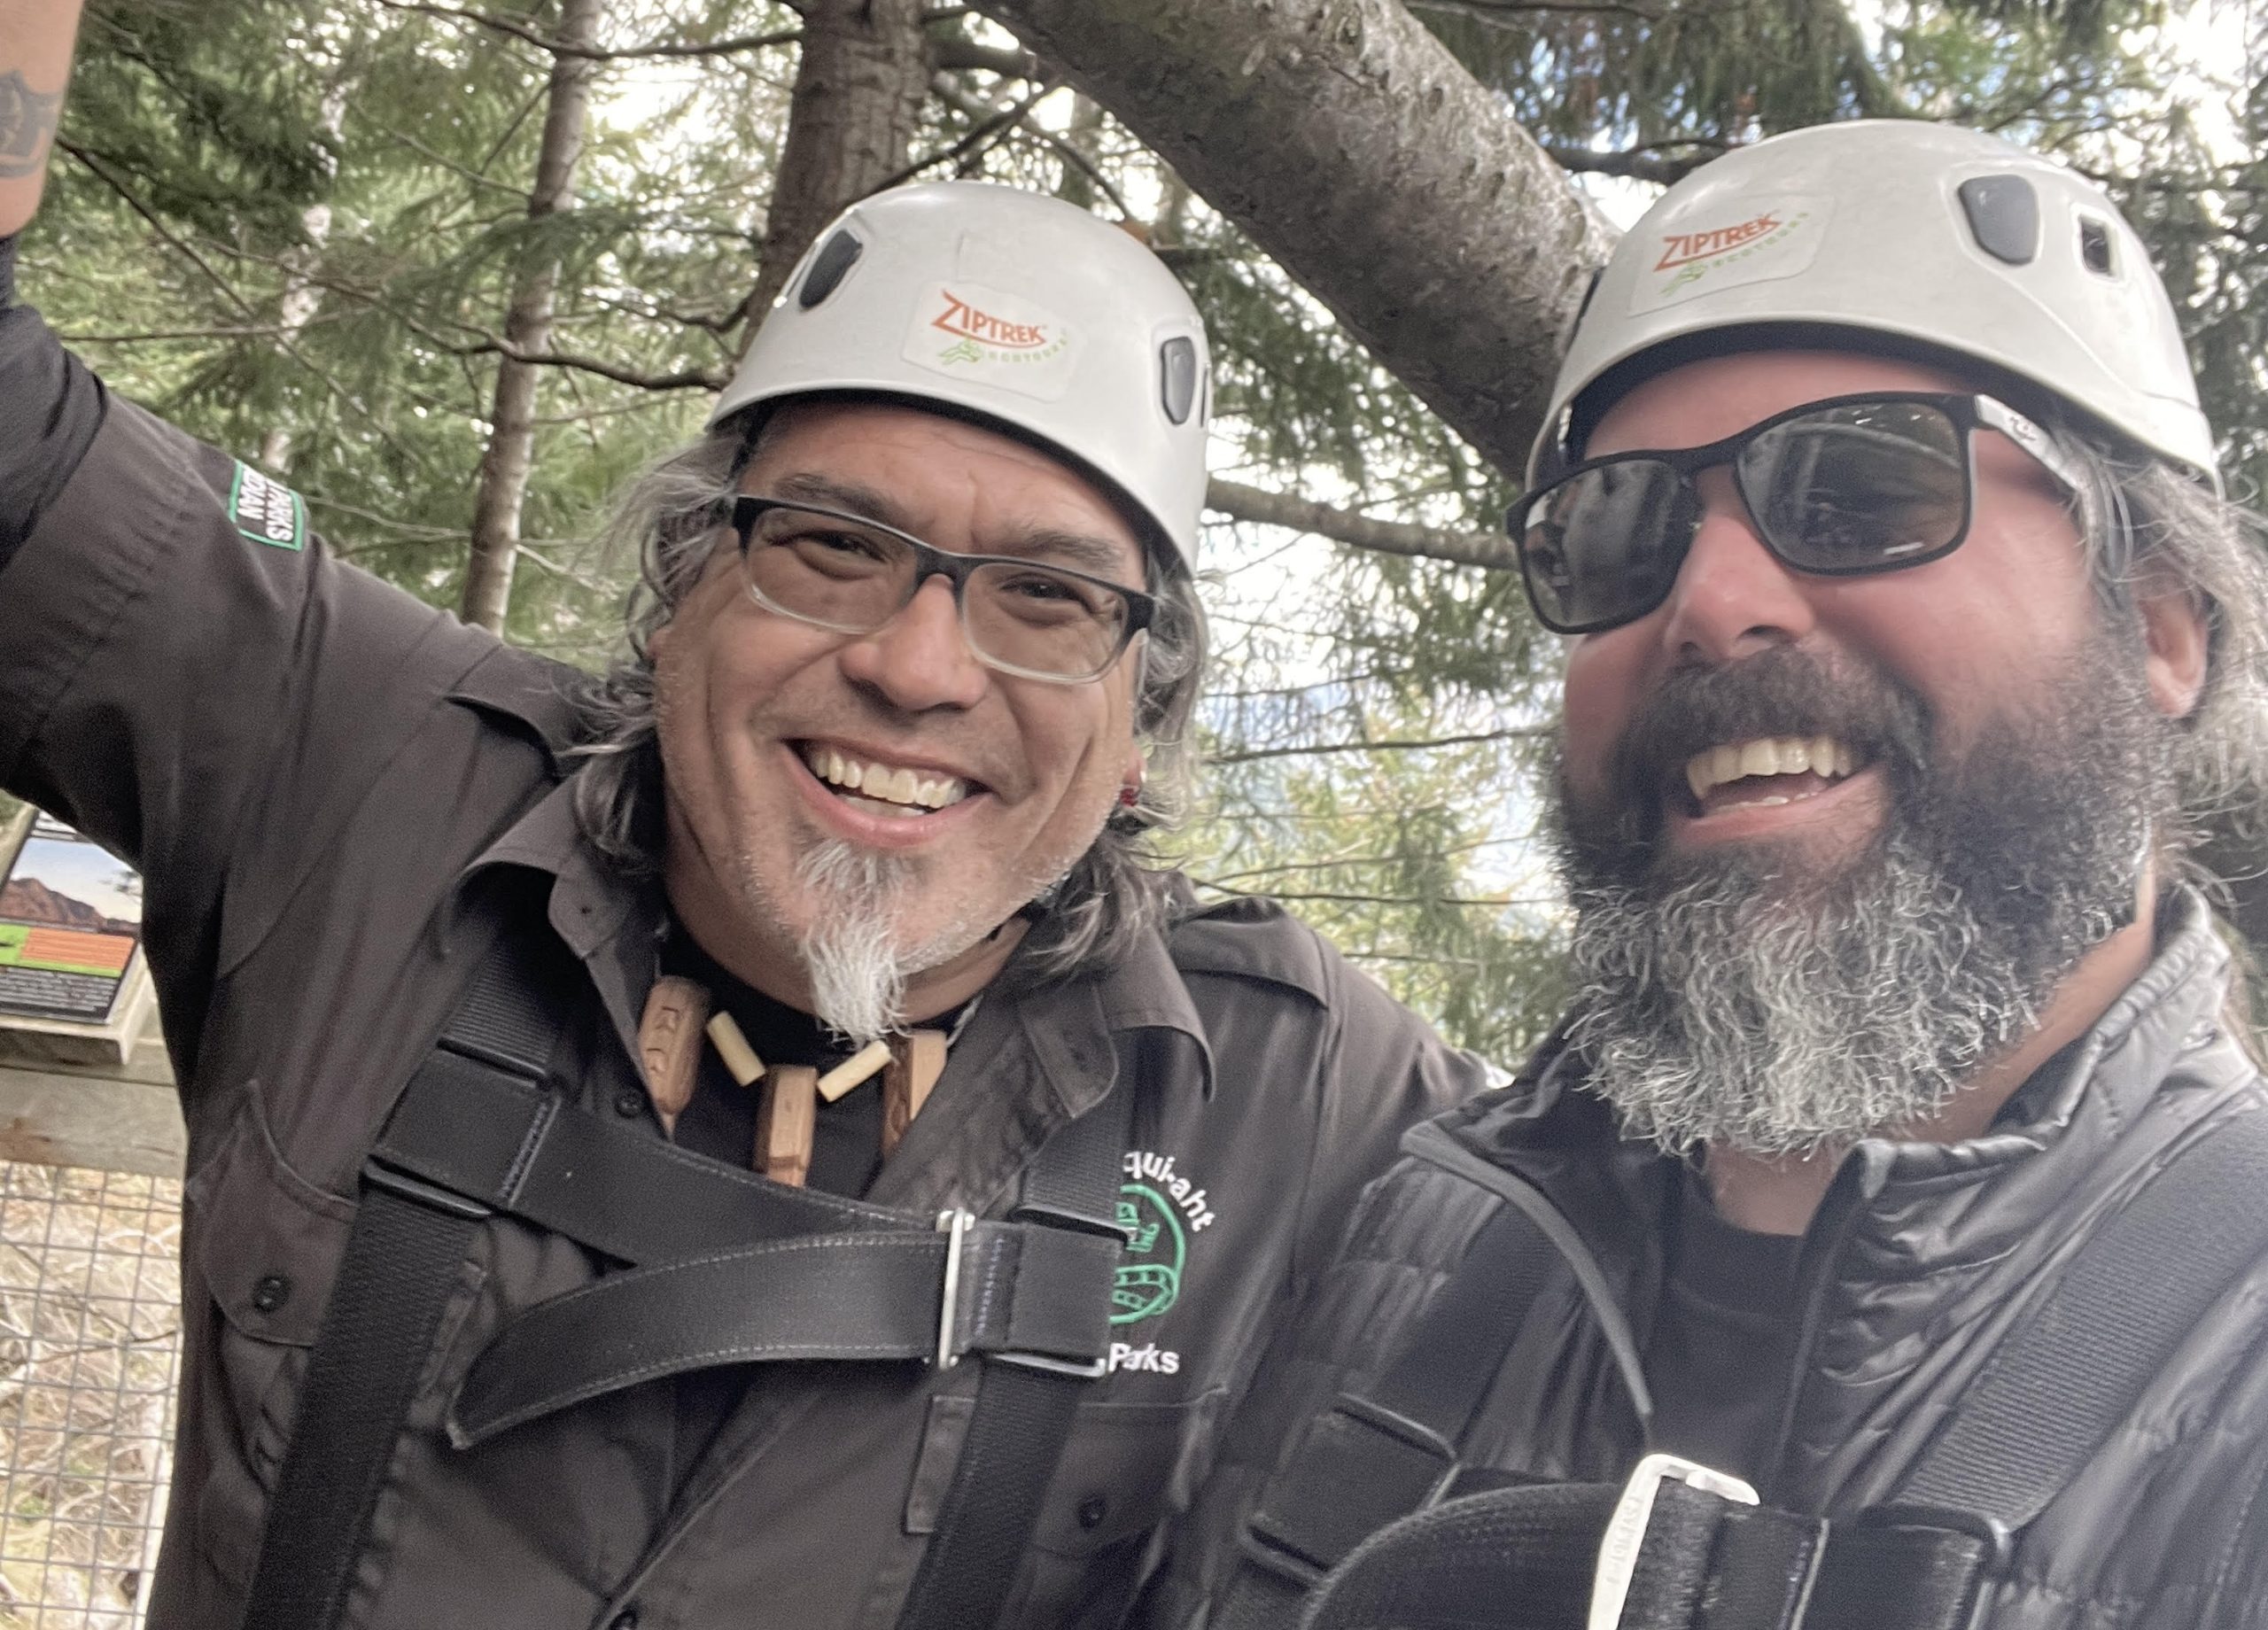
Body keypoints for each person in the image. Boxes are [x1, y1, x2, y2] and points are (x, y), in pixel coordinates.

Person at [0, 7, 1487, 1627]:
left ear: (1140, 730)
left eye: (1048, 600)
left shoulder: (1289, 1088)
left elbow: (1716, 1227)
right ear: (677, 596)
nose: (917, 669)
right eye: (835, 546)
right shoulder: (364, 777)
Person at [1145, 120, 2268, 1630]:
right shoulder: (1418, 1231)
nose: (1711, 602)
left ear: (2160, 624)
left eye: (1862, 487)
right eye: (1624, 533)